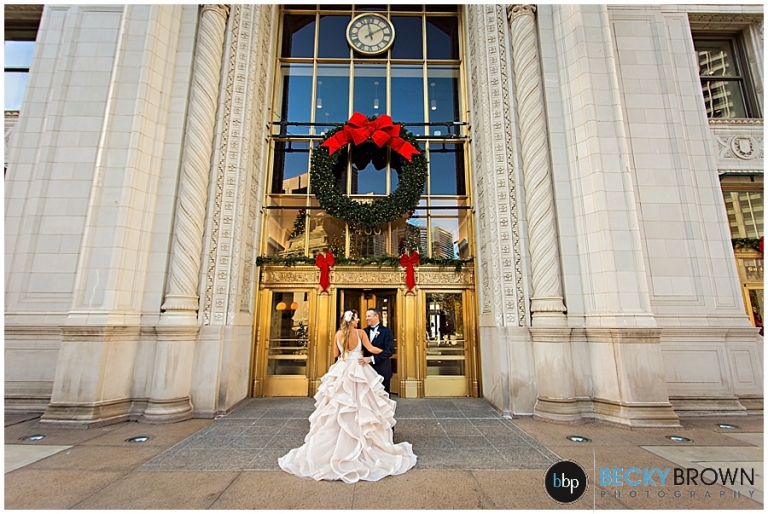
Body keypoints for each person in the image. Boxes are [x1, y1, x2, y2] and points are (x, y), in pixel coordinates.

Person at [278, 309, 417, 483]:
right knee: (362, 403)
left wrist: (346, 351)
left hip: (343, 368)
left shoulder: (338, 334)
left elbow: (336, 355)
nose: (360, 320)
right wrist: (384, 352)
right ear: (352, 321)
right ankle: (363, 441)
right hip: (359, 368)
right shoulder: (360, 333)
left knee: (339, 404)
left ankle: (338, 442)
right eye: (358, 318)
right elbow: (371, 348)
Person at [362, 308, 395, 395]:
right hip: (367, 369)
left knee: (383, 395)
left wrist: (372, 359)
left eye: (369, 316)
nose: (366, 318)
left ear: (376, 316)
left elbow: (389, 351)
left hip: (382, 368)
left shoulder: (387, 332)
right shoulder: (364, 332)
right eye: (366, 316)